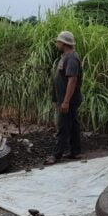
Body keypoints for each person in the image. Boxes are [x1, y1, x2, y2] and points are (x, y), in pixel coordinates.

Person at [45, 31, 83, 165]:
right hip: (65, 99)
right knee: (73, 125)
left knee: (63, 126)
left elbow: (72, 80)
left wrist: (66, 101)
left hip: (69, 100)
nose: (57, 44)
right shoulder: (66, 56)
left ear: (64, 43)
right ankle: (75, 151)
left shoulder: (71, 58)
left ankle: (56, 155)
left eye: (58, 42)